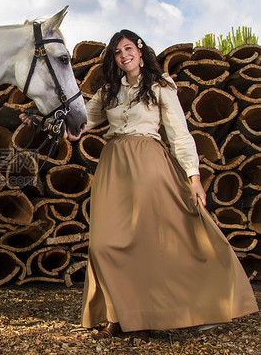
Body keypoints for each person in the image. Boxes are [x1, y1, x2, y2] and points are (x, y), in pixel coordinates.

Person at [22, 29, 258, 345]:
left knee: (145, 242)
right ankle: (120, 314)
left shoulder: (160, 86)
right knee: (104, 245)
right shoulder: (108, 91)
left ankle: (136, 319)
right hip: (113, 165)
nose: (124, 56)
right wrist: (43, 120)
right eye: (118, 52)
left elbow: (180, 134)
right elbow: (80, 124)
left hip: (149, 163)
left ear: (140, 49)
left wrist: (194, 176)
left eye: (128, 48)